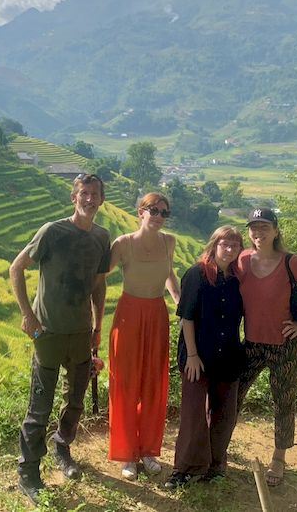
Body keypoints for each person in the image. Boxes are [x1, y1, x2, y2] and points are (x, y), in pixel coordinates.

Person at [9, 174, 111, 504]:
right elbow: (16, 268)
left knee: (76, 400)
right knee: (40, 404)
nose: (89, 199)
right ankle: (29, 472)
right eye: (84, 193)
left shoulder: (101, 237)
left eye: (95, 194)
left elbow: (98, 285)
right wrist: (28, 315)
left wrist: (97, 327)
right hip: (49, 332)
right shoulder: (52, 231)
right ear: (74, 197)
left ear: (101, 200)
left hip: (80, 333)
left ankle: (62, 448)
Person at [235, 207, 297, 487]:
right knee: (233, 396)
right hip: (252, 344)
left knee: (283, 402)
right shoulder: (242, 259)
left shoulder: (291, 263)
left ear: (276, 231)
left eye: (264, 226)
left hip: (285, 346)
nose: (258, 232)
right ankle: (218, 448)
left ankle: (278, 458)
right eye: (254, 227)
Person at [165, 225, 245, 490]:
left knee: (225, 413)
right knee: (194, 413)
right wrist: (193, 355)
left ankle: (215, 464)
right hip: (198, 355)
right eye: (225, 244)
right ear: (214, 245)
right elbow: (186, 317)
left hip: (229, 354)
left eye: (235, 245)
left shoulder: (237, 280)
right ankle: (185, 469)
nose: (230, 249)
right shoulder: (196, 274)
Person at [107, 192, 181, 480]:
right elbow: (100, 276)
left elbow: (170, 276)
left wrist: (179, 301)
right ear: (140, 212)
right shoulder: (123, 244)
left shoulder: (169, 242)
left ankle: (148, 449)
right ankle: (126, 454)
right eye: (153, 210)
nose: (159, 216)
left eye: (164, 211)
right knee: (125, 384)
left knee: (153, 383)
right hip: (128, 315)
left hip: (157, 314)